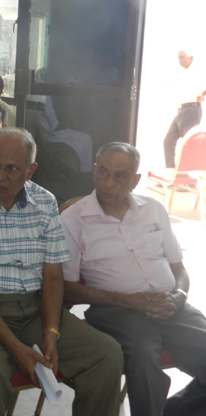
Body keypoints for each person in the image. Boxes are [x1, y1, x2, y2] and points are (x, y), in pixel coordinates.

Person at [0, 127, 124, 416]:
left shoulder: (45, 203)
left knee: (106, 354)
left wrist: (51, 332)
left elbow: (51, 276)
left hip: (33, 309)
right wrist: (17, 349)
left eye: (12, 169)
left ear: (30, 171)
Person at [60, 141, 206, 416]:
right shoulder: (73, 219)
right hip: (116, 312)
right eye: (103, 172)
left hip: (171, 307)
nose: (109, 183)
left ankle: (173, 411)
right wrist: (128, 301)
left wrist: (179, 297)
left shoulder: (153, 209)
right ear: (93, 171)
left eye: (120, 175)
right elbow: (69, 288)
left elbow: (180, 270)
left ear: (135, 180)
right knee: (143, 363)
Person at [163, 49, 206, 167]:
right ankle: (171, 172)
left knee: (189, 145)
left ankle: (187, 177)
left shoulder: (198, 71)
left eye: (182, 57)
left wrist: (203, 94)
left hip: (192, 110)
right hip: (181, 110)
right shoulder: (181, 72)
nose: (179, 60)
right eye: (178, 57)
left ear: (191, 58)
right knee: (168, 141)